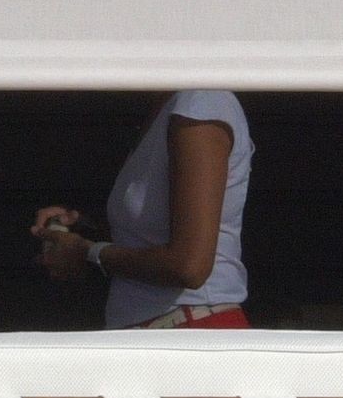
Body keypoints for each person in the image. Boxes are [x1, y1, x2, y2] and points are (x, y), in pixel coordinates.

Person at [31, 90, 253, 329]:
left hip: (190, 330)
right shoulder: (167, 108)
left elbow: (189, 267)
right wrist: (82, 229)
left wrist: (87, 251)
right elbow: (146, 238)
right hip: (159, 329)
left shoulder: (202, 102)